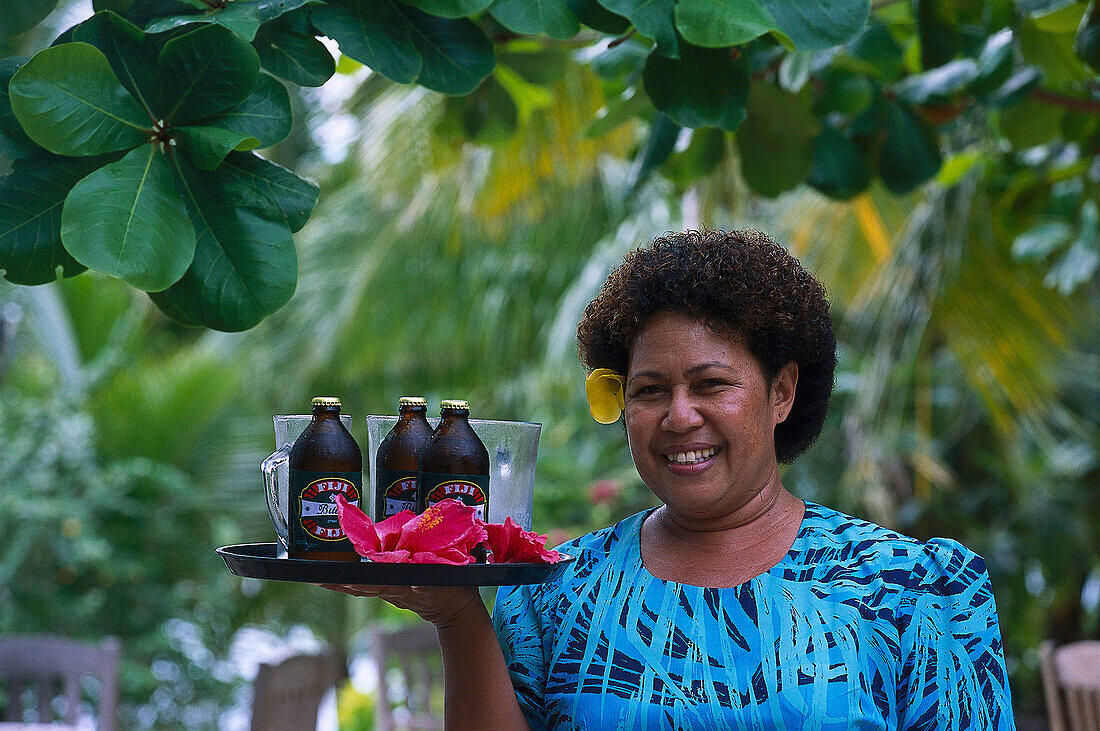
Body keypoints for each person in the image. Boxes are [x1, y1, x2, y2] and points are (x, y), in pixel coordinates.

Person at [324, 228, 1015, 729]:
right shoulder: (557, 592)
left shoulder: (910, 588)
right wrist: (454, 614)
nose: (679, 416)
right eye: (650, 390)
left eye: (712, 383)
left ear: (781, 393)